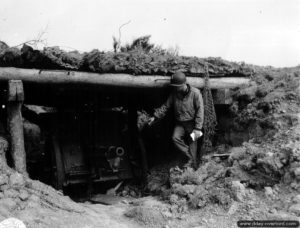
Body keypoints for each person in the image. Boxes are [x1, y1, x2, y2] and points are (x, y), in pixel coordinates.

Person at [149, 71, 204, 168]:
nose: (176, 88)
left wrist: (198, 128)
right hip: (180, 123)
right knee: (175, 138)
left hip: (192, 123)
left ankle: (194, 167)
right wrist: (155, 116)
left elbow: (200, 111)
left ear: (184, 84)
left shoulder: (195, 93)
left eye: (177, 86)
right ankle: (189, 157)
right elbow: (166, 106)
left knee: (193, 144)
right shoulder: (174, 94)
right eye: (174, 86)